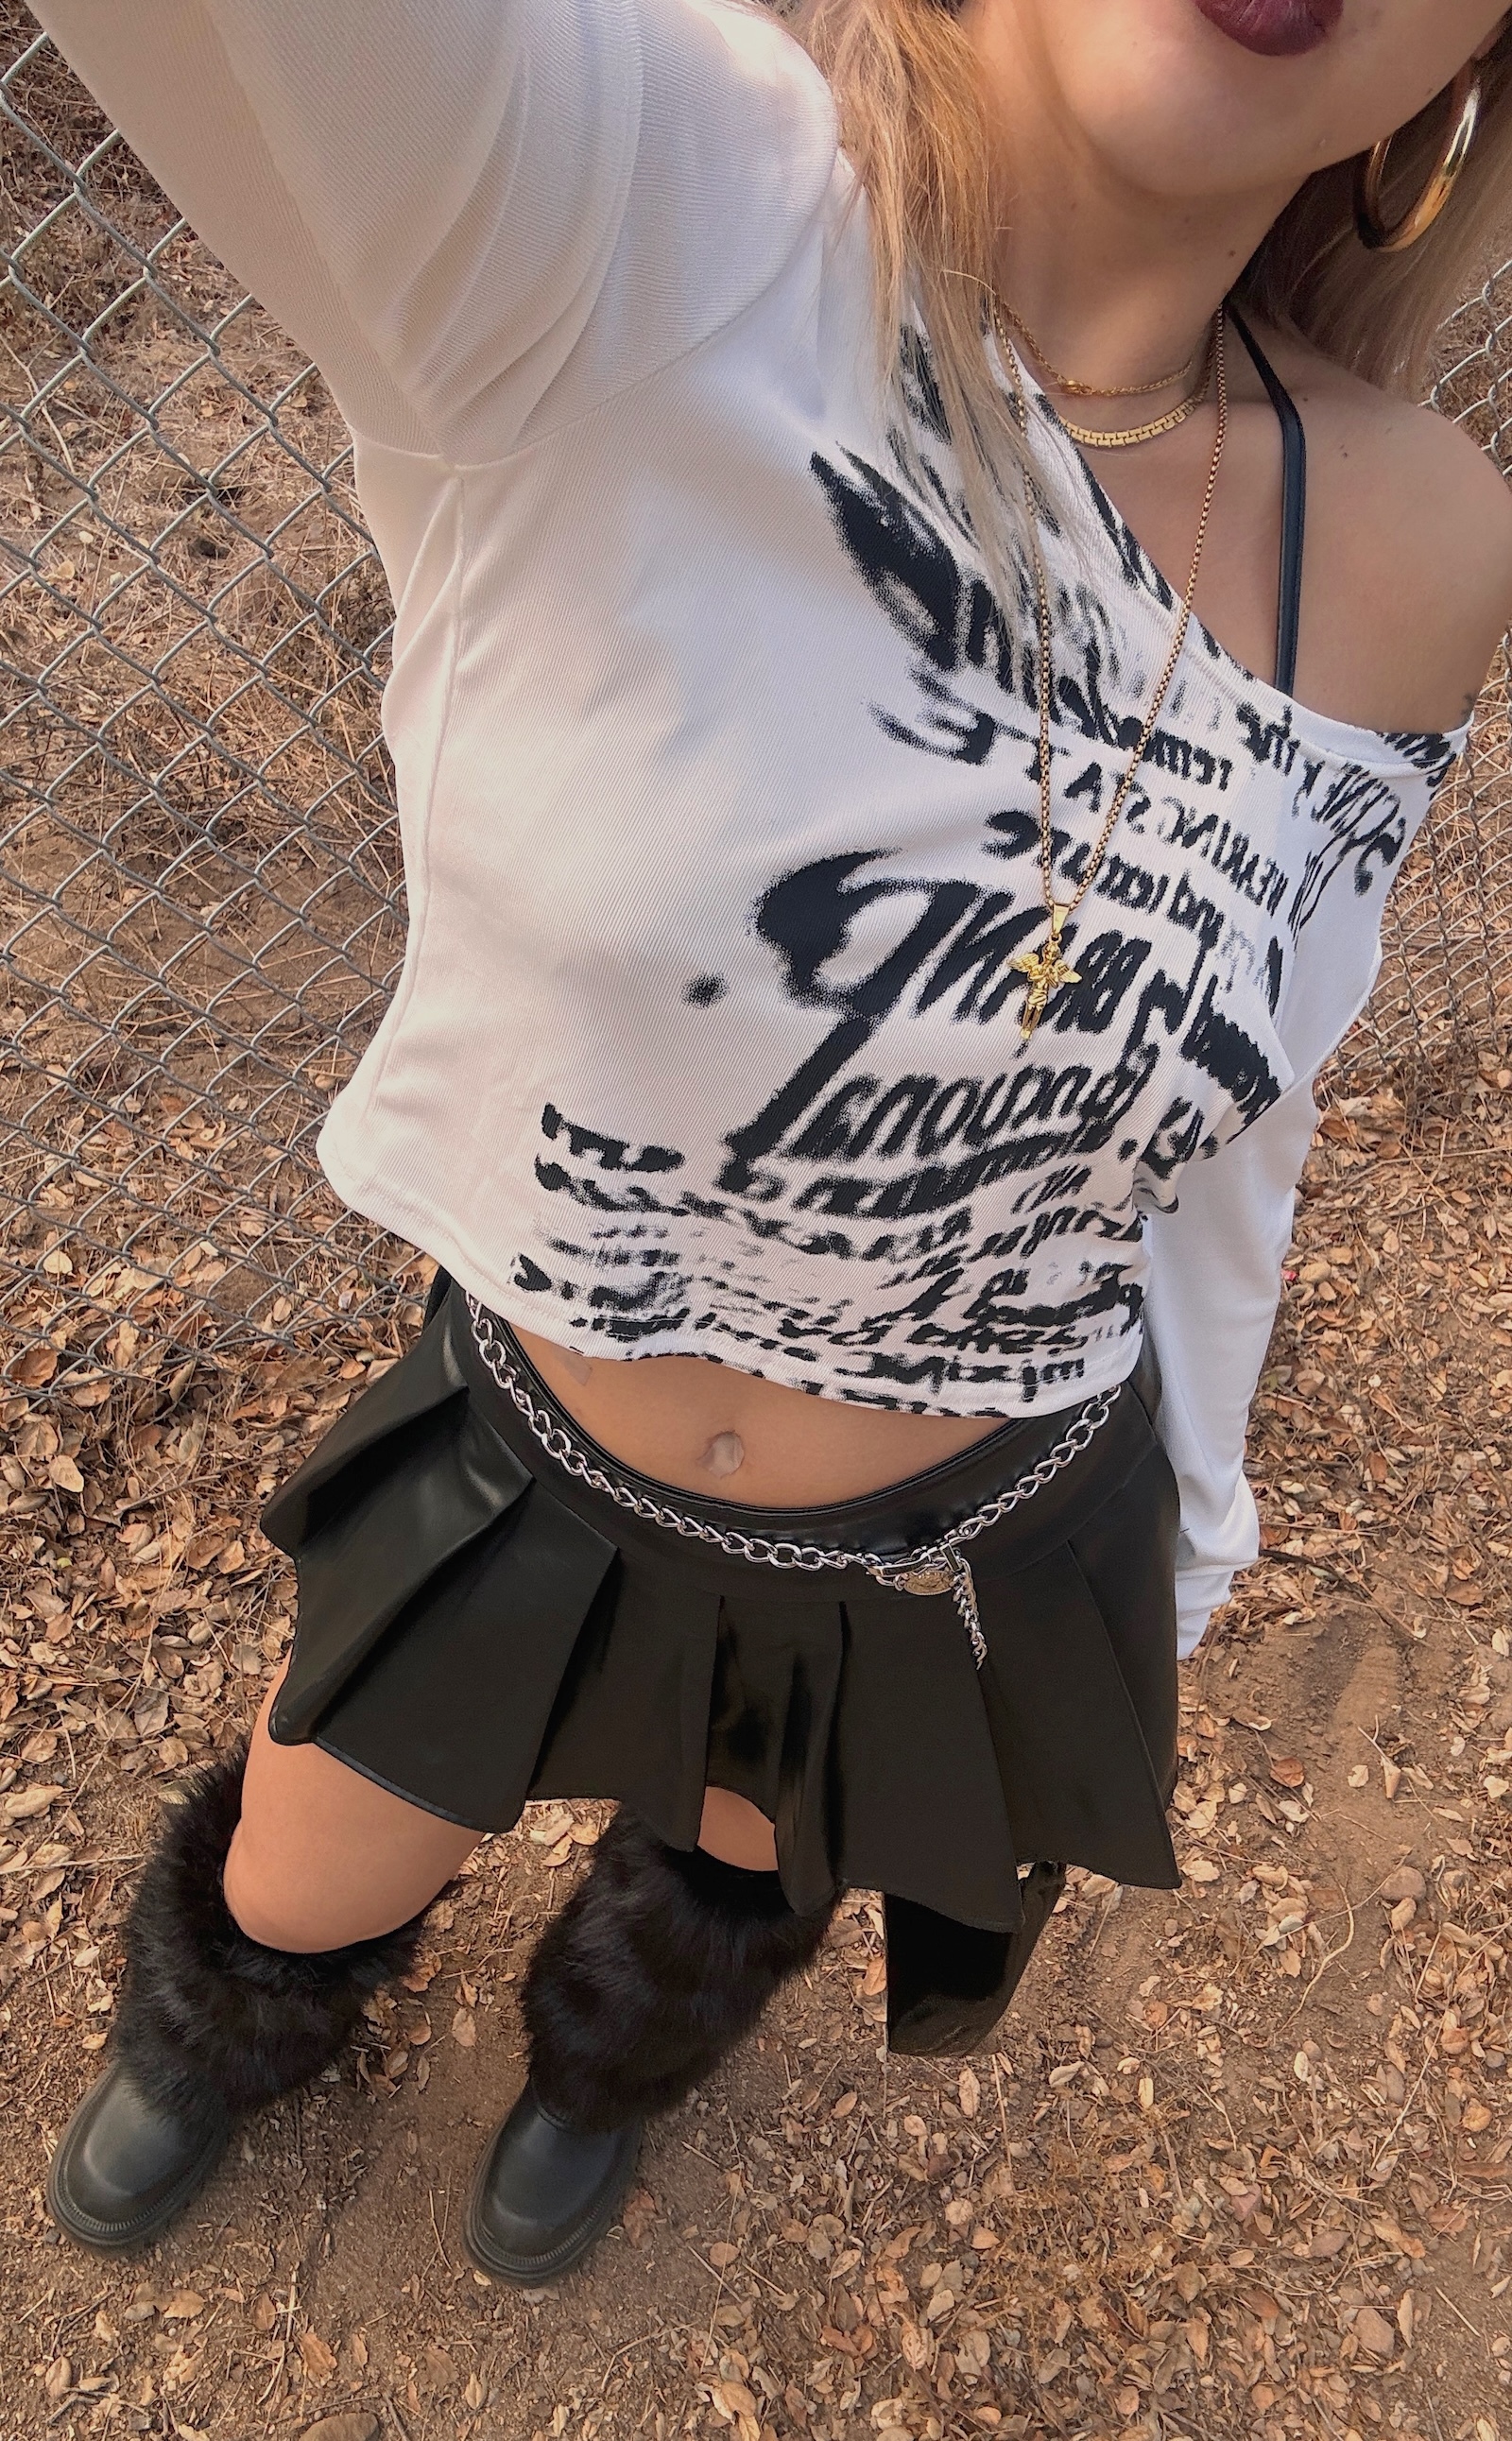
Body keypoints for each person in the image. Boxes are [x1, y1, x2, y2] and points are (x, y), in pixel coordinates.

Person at [35, 0, 1512, 2286]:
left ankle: (597, 2076)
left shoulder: (1409, 535)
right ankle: (226, 2023)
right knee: (312, 1849)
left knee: (723, 1892)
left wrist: (1187, 1539)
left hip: (956, 1535)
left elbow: (1246, 1101)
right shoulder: (626, 204)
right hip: (539, 1453)